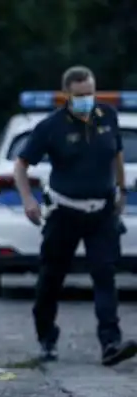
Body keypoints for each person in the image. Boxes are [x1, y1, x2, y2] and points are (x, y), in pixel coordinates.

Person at [15, 65, 137, 366]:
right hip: (64, 213)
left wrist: (121, 191)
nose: (88, 100)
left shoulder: (107, 117)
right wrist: (28, 200)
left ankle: (111, 343)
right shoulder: (50, 127)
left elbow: (117, 154)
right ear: (67, 95)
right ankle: (46, 337)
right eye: (81, 95)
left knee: (104, 274)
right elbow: (21, 165)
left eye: (91, 93)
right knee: (51, 279)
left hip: (102, 212)